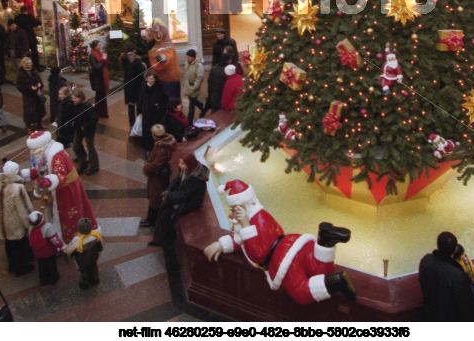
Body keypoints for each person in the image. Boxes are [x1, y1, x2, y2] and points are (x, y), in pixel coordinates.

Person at [202, 179, 355, 305]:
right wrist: (223, 244)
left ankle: (336, 282)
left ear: (242, 206)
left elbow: (258, 254)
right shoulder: (260, 215)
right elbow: (242, 242)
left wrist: (245, 225)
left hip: (283, 258)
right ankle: (325, 240)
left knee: (300, 291)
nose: (233, 214)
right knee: (318, 270)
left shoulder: (255, 221)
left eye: (235, 209)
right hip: (293, 242)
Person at [19, 130, 97, 243]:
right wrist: (28, 174)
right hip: (60, 189)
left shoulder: (56, 156)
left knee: (67, 216)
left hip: (67, 190)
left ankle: (69, 240)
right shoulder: (45, 153)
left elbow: (60, 176)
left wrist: (47, 181)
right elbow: (41, 169)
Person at [150, 152, 210, 247]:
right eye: (180, 162)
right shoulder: (184, 169)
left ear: (188, 165)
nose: (179, 164)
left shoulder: (195, 179)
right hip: (182, 196)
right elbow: (176, 180)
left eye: (182, 163)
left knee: (167, 215)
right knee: (162, 208)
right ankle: (158, 238)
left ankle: (166, 241)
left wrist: (168, 197)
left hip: (190, 202)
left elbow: (185, 195)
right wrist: (168, 191)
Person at [0, 160, 35, 277]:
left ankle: (11, 266)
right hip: (15, 223)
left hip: (2, 222)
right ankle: (21, 268)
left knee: (8, 244)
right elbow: (24, 209)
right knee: (19, 245)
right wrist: (29, 223)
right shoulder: (17, 188)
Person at [417, 231, 474, 321]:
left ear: (438, 245)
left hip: (430, 313)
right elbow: (465, 308)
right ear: (455, 249)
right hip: (449, 319)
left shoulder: (425, 260)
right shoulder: (457, 276)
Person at [141, 124, 176, 229]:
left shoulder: (161, 147)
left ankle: (151, 220)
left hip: (158, 177)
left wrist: (146, 167)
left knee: (155, 198)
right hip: (161, 175)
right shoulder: (166, 143)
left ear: (154, 135)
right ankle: (151, 219)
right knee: (155, 198)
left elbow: (156, 165)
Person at [63, 218, 103, 290]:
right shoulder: (95, 235)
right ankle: (95, 280)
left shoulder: (77, 240)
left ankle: (84, 284)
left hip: (82, 261)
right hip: (94, 258)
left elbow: (69, 250)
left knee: (84, 272)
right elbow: (100, 246)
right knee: (94, 267)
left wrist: (66, 254)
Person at [27, 211, 64, 286]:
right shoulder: (47, 227)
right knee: (51, 264)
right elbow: (54, 239)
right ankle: (54, 278)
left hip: (38, 252)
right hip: (49, 252)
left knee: (41, 266)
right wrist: (61, 245)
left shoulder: (31, 228)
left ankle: (43, 280)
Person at [71, 87, 100, 175]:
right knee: (76, 146)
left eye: (75, 98)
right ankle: (83, 162)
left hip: (88, 130)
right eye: (73, 98)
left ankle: (94, 166)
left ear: (80, 98)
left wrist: (84, 126)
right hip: (79, 129)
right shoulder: (75, 106)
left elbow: (94, 118)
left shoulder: (87, 107)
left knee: (90, 147)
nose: (73, 100)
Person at [138, 71, 170, 151]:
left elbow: (165, 99)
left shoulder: (160, 87)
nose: (149, 80)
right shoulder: (144, 86)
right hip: (146, 111)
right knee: (146, 128)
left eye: (151, 79)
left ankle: (154, 144)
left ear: (155, 79)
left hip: (155, 113)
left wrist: (159, 105)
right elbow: (141, 97)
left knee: (154, 128)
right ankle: (147, 144)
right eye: (148, 78)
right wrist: (140, 108)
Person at [16, 56, 45, 130]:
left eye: (31, 63)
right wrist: (29, 88)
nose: (31, 64)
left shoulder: (34, 71)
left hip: (36, 95)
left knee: (39, 110)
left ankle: (40, 123)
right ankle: (28, 127)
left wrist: (39, 84)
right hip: (28, 96)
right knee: (29, 112)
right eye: (29, 63)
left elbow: (39, 80)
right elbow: (19, 86)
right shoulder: (21, 74)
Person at [121, 44, 147, 127]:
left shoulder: (123, 58)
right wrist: (143, 65)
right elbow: (142, 70)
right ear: (134, 50)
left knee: (130, 104)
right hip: (137, 84)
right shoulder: (136, 60)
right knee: (139, 103)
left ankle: (132, 122)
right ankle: (140, 120)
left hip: (128, 83)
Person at [88, 39, 109, 119]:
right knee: (100, 96)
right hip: (98, 79)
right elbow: (96, 67)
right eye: (99, 45)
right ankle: (100, 112)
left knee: (102, 96)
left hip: (101, 78)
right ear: (95, 46)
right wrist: (103, 59)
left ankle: (102, 112)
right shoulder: (92, 55)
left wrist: (104, 59)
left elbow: (102, 64)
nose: (100, 46)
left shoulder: (98, 53)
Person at [183, 48, 206, 120]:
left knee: (191, 106)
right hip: (188, 86)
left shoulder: (199, 66)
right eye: (187, 57)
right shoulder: (187, 63)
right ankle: (203, 107)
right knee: (193, 101)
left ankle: (189, 122)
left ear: (193, 57)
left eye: (189, 57)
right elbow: (186, 73)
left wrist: (194, 88)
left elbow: (199, 79)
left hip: (194, 87)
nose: (187, 59)